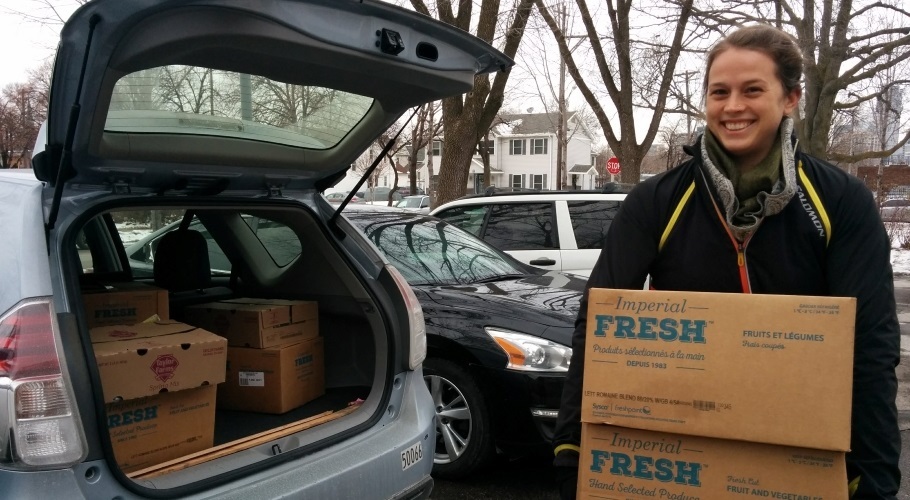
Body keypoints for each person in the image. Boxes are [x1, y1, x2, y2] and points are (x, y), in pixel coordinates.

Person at [552, 24, 901, 499]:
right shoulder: (657, 200)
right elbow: (597, 320)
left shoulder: (841, 201)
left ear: (791, 98)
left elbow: (872, 344)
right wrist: (573, 443)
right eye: (720, 92)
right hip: (682, 456)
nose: (733, 106)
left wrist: (874, 475)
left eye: (752, 90)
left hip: (797, 452)